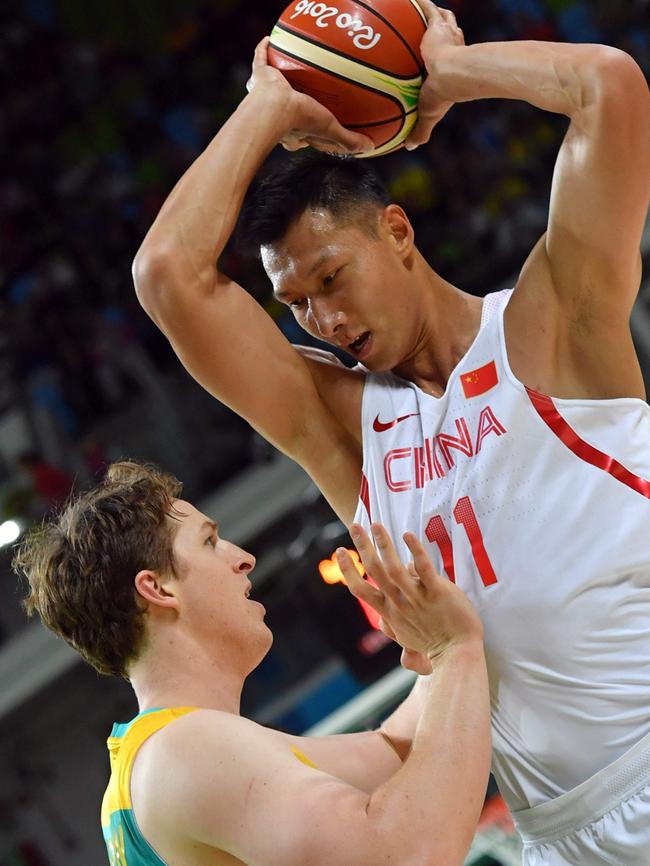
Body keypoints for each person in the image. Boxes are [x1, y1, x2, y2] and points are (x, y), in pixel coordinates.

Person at [132, 2, 650, 862]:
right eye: (297, 304)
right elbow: (166, 277)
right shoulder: (344, 429)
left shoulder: (554, 323)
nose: (324, 318)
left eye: (332, 278)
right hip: (562, 839)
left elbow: (609, 88)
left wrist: (446, 73)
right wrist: (270, 103)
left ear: (398, 231)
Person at [14, 460, 490, 866]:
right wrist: (455, 650)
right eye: (209, 542)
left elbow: (391, 750)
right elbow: (405, 855)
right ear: (157, 589)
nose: (243, 558)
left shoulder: (161, 753)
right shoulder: (186, 750)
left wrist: (438, 652)